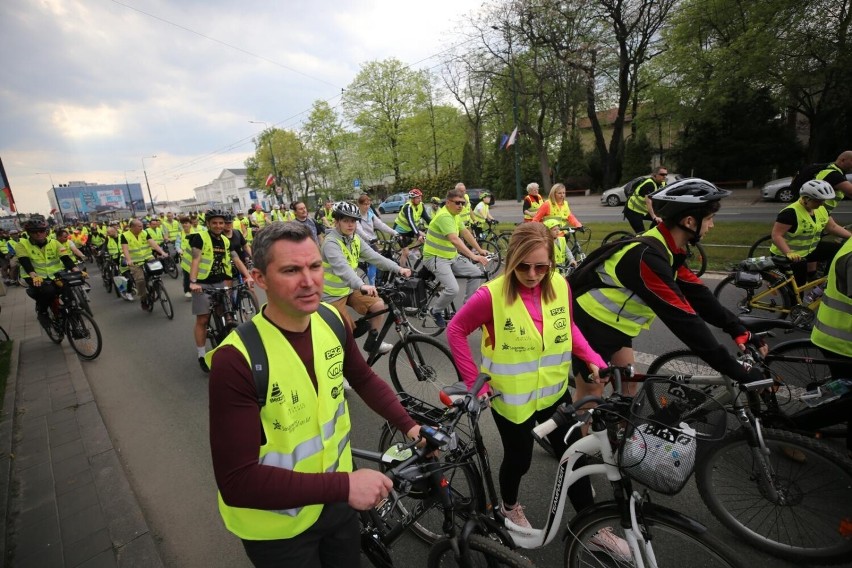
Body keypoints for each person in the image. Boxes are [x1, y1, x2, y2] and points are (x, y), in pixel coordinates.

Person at [207, 221, 421, 567]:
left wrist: (411, 427)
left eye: (315, 266)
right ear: (259, 279)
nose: (309, 281)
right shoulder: (236, 360)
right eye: (291, 270)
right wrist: (344, 487)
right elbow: (237, 481)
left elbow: (363, 379)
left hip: (335, 505)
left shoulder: (330, 319)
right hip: (277, 526)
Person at [445, 223, 630, 555]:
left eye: (541, 266)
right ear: (512, 260)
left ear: (552, 264)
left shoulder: (560, 284)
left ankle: (593, 527)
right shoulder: (491, 295)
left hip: (555, 395)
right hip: (512, 401)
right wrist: (475, 383)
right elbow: (456, 329)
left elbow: (568, 326)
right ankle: (509, 507)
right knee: (519, 460)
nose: (532, 274)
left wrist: (591, 358)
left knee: (573, 457)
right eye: (524, 266)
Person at [571, 178, 768, 402]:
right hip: (590, 325)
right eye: (710, 219)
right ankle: (570, 436)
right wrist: (738, 371)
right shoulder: (647, 259)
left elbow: (699, 296)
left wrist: (737, 329)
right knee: (591, 394)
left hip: (617, 326)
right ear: (690, 221)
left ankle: (616, 435)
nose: (712, 225)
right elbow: (684, 321)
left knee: (628, 389)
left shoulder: (667, 249)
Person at [321, 202, 411, 354]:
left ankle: (372, 343)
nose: (350, 225)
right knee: (346, 333)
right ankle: (344, 367)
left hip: (349, 289)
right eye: (346, 221)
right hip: (331, 295)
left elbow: (374, 257)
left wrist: (398, 268)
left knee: (378, 305)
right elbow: (343, 268)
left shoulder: (354, 238)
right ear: (336, 221)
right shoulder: (331, 243)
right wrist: (361, 285)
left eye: (354, 221)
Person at [188, 210, 254, 372]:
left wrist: (247, 277)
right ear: (208, 224)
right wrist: (193, 282)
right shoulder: (200, 238)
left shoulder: (225, 240)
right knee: (202, 320)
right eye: (215, 223)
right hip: (202, 284)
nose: (218, 226)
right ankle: (202, 355)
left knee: (224, 312)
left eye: (221, 223)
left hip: (219, 281)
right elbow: (196, 260)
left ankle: (227, 343)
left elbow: (236, 259)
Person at [809, 235, 852, 457]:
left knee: (843, 391)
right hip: (841, 340)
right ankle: (792, 429)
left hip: (841, 336)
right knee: (846, 398)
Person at [422, 188, 489, 328]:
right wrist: (473, 256)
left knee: (476, 273)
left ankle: (467, 308)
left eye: (463, 203)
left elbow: (465, 233)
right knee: (453, 289)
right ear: (448, 202)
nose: (461, 206)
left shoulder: (454, 215)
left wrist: (479, 250)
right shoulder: (444, 216)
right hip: (435, 258)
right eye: (457, 203)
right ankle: (435, 311)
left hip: (451, 256)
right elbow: (454, 239)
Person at [769, 180, 852, 286]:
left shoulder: (821, 209)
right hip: (791, 254)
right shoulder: (790, 213)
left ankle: (826, 281)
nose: (822, 203)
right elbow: (776, 235)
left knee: (839, 250)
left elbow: (833, 227)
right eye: (818, 201)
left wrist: (851, 237)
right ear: (805, 199)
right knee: (798, 288)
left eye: (823, 200)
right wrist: (788, 253)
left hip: (810, 250)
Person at [16, 215, 79, 327]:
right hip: (34, 275)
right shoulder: (22, 244)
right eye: (34, 232)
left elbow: (65, 258)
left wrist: (76, 270)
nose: (38, 234)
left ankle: (74, 322)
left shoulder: (54, 243)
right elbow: (24, 261)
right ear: (29, 233)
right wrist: (33, 275)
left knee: (68, 290)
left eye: (41, 231)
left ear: (46, 231)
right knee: (48, 291)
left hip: (55, 274)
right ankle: (43, 312)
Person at [121, 219, 168, 310]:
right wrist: (129, 260)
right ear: (132, 227)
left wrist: (162, 252)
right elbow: (125, 249)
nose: (142, 228)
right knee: (140, 280)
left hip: (148, 258)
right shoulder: (125, 236)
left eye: (142, 226)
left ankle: (157, 285)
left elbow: (153, 244)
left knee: (157, 271)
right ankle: (143, 298)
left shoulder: (145, 233)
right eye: (139, 226)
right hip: (135, 262)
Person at [354, 194, 398, 285]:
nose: (367, 206)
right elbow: (359, 230)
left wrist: (394, 232)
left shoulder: (371, 214)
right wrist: (369, 239)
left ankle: (379, 281)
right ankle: (373, 286)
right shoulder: (356, 216)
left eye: (368, 204)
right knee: (373, 263)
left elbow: (381, 225)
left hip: (371, 241)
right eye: (365, 204)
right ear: (359, 204)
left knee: (381, 260)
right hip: (362, 242)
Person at [393, 188, 431, 268]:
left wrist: (437, 229)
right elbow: (411, 222)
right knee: (405, 252)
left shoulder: (421, 205)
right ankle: (402, 271)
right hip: (400, 231)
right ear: (412, 199)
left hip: (410, 230)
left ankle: (413, 252)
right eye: (417, 198)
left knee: (425, 237)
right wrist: (418, 235)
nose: (420, 199)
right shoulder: (408, 207)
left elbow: (427, 219)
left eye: (420, 197)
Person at [623, 167, 668, 233]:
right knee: (641, 233)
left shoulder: (663, 184)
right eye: (662, 174)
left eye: (666, 174)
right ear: (654, 175)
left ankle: (650, 235)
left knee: (662, 219)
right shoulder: (649, 184)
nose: (664, 176)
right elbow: (648, 202)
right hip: (632, 211)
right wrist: (654, 217)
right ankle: (640, 240)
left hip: (643, 210)